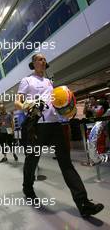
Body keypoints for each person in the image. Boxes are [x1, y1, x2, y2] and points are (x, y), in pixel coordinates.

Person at [15, 53, 104, 218]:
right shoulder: (27, 81)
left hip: (55, 125)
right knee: (32, 160)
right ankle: (28, 188)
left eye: (44, 59)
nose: (43, 61)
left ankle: (83, 203)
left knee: (66, 163)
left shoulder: (49, 82)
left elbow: (55, 103)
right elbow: (17, 102)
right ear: (33, 63)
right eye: (40, 59)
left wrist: (66, 110)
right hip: (37, 127)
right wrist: (26, 106)